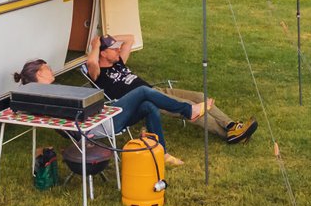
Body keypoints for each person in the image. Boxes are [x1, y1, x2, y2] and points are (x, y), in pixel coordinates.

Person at [13, 58, 211, 167]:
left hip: (102, 118)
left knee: (149, 106)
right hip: (100, 127)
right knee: (142, 92)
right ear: (40, 73)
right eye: (47, 67)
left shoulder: (44, 94)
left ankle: (162, 153)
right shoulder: (48, 95)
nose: (50, 70)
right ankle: (188, 110)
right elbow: (69, 127)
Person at [87, 34, 257, 144]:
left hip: (156, 90)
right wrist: (96, 45)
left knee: (199, 95)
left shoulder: (117, 61)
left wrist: (105, 39)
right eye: (113, 48)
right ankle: (228, 134)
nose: (118, 49)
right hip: (149, 99)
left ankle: (231, 126)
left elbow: (130, 38)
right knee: (191, 108)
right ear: (102, 53)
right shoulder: (99, 74)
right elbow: (92, 63)